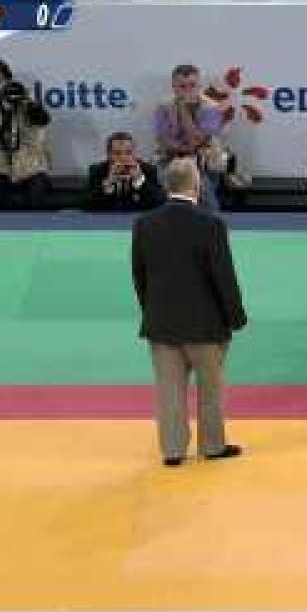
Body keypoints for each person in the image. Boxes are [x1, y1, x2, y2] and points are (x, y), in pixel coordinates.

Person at [131, 156, 247, 467]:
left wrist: (151, 311)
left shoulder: (144, 224)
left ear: (166, 186)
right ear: (196, 185)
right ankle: (212, 446)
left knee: (169, 393)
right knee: (211, 391)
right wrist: (236, 318)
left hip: (161, 323)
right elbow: (224, 277)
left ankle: (172, 451)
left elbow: (139, 276)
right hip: (205, 326)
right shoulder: (211, 225)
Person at [0, 59, 52, 209]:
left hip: (31, 166)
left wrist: (26, 100)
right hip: (3, 168)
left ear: (8, 81)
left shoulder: (21, 96)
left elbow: (43, 120)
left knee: (36, 196)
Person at [153, 64, 228, 211]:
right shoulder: (163, 107)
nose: (188, 90)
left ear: (199, 85)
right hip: (170, 159)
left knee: (204, 191)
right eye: (182, 86)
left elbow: (198, 141)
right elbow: (163, 139)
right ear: (174, 87)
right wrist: (184, 150)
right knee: (165, 189)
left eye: (192, 85)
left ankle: (213, 224)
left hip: (204, 162)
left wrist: (183, 110)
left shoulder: (211, 108)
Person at [86, 132, 166, 212]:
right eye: (117, 153)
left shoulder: (148, 170)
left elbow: (160, 201)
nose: (123, 158)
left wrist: (140, 181)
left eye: (128, 153)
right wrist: (109, 183)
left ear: (135, 153)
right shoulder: (98, 170)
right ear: (109, 155)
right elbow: (86, 203)